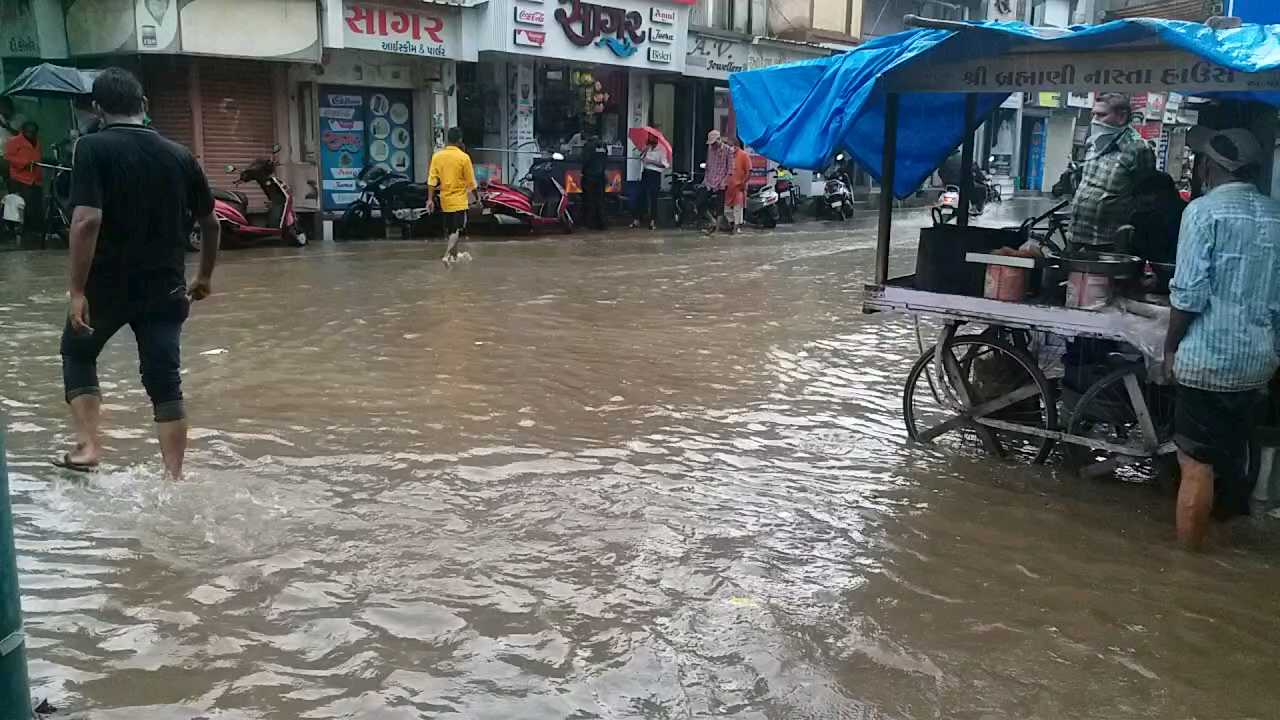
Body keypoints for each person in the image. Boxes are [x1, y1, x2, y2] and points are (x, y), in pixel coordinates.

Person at [55, 67, 221, 480]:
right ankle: (174, 476)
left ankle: (89, 446)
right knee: (164, 378)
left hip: (107, 286)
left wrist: (77, 289)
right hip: (166, 286)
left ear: (97, 108)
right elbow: (212, 223)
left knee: (78, 353)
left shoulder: (91, 149)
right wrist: (203, 277)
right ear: (144, 106)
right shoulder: (182, 156)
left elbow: (86, 221)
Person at [1164, 126, 1280, 551]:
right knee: (1232, 458)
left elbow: (1189, 293)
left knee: (1196, 465)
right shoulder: (1276, 214)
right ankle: (1224, 558)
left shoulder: (1202, 211)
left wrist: (1170, 348)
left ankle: (1187, 567)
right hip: (1258, 362)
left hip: (1208, 361)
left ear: (1211, 166)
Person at [1070, 93, 1155, 251]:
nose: (1095, 120)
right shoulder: (1093, 142)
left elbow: (1146, 197)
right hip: (1077, 236)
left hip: (1109, 242)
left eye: (1102, 115)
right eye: (1093, 114)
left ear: (1121, 117)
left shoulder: (1138, 149)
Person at [426, 127, 478, 265]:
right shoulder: (464, 157)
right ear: (460, 140)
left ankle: (454, 257)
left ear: (447, 139)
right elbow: (471, 182)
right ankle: (447, 255)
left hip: (445, 200)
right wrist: (477, 197)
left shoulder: (437, 156)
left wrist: (430, 199)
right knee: (457, 230)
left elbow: (432, 180)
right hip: (459, 200)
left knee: (451, 231)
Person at [4, 120, 42, 238]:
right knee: (18, 205)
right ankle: (14, 230)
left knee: (33, 205)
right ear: (23, 131)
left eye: (34, 132)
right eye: (29, 131)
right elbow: (7, 157)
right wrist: (24, 163)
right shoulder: (14, 141)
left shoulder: (37, 142)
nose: (31, 133)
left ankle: (31, 229)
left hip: (34, 178)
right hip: (19, 177)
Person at [630, 136, 667, 230]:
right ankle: (637, 219)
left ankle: (652, 221)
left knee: (653, 197)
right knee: (640, 195)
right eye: (648, 143)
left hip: (655, 174)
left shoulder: (661, 150)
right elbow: (640, 157)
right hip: (645, 173)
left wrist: (651, 161)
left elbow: (664, 164)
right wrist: (644, 150)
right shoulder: (647, 148)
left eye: (651, 143)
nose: (650, 145)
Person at [700, 130, 733, 233]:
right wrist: (705, 179)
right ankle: (713, 222)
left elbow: (730, 169)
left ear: (719, 139)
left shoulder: (728, 150)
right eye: (711, 143)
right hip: (709, 181)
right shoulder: (710, 149)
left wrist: (724, 181)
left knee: (720, 208)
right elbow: (708, 165)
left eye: (714, 143)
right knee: (700, 203)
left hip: (721, 183)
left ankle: (716, 231)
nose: (713, 145)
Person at [720, 138, 751, 234]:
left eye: (729, 144)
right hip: (727, 187)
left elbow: (749, 171)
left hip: (738, 187)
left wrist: (743, 182)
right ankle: (733, 224)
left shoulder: (743, 155)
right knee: (727, 209)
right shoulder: (725, 156)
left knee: (738, 208)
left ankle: (736, 227)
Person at [580, 136, 608, 231]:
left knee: (589, 200)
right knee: (600, 200)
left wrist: (583, 171)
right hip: (601, 177)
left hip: (589, 176)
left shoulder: (588, 145)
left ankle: (590, 223)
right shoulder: (603, 145)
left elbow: (585, 160)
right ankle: (602, 223)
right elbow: (606, 160)